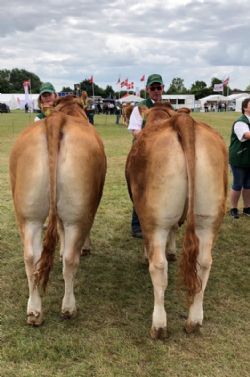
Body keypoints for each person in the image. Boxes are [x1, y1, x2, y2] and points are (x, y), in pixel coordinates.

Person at [128, 73, 165, 238]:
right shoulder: (140, 107)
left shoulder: (168, 107)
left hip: (164, 154)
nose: (156, 91)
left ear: (163, 88)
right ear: (147, 89)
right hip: (143, 153)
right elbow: (135, 130)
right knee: (140, 187)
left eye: (159, 87)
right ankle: (137, 225)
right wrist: (153, 137)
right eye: (153, 88)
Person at [229, 97, 250, 218]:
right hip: (239, 158)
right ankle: (233, 208)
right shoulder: (240, 122)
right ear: (245, 108)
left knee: (248, 185)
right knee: (238, 184)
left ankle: (247, 208)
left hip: (248, 158)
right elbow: (247, 135)